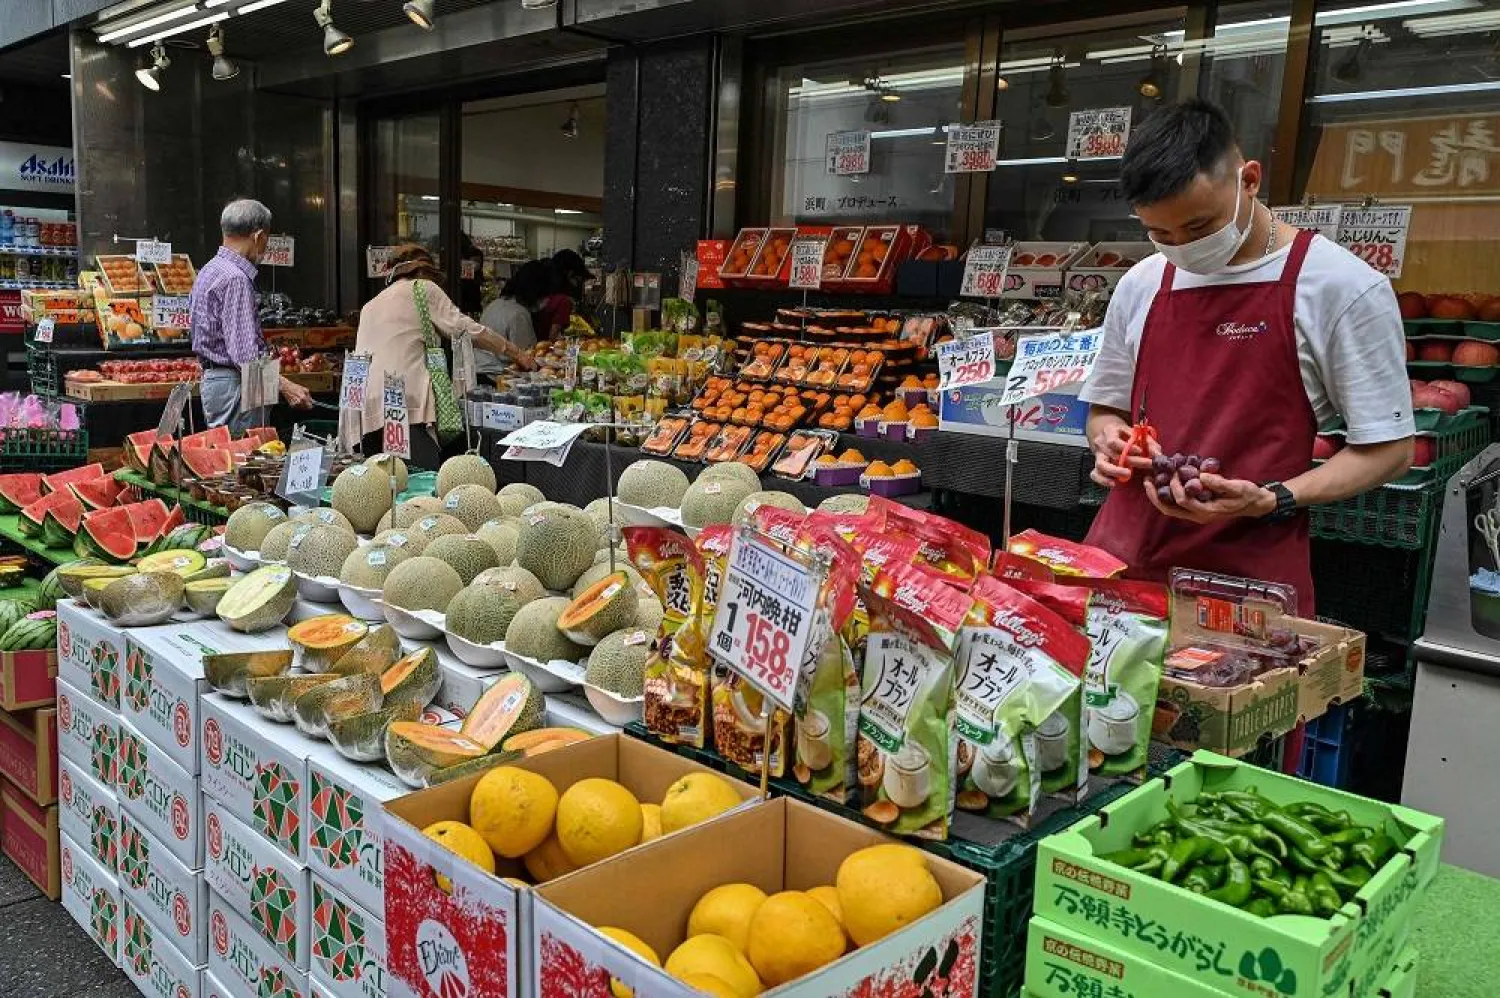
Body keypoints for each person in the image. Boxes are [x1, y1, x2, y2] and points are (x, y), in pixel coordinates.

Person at [1080, 98, 1414, 615]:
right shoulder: (1140, 283)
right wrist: (1107, 440)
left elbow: (1389, 451)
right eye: (1159, 234)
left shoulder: (1340, 287)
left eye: (1197, 228)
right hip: (1122, 565)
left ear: (1249, 180)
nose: (1180, 247)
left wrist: (1274, 498)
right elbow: (1106, 408)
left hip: (1244, 588)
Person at [354, 244, 534, 468]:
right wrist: (517, 353)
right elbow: (465, 328)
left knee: (381, 484)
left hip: (368, 407)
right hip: (406, 404)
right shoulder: (423, 288)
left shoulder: (370, 306)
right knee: (420, 482)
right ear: (422, 272)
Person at [190, 198, 313, 431]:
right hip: (237, 384)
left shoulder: (209, 270)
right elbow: (245, 355)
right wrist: (286, 386)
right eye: (266, 239)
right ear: (258, 237)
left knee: (225, 457)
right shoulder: (236, 278)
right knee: (243, 459)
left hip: (217, 382)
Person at [476, 260, 550, 376]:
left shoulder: (494, 304)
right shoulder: (519, 314)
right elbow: (527, 356)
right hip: (497, 375)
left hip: (479, 370)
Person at [534, 247, 591, 339]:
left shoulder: (542, 293)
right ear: (570, 274)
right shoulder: (563, 301)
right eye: (578, 280)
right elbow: (552, 338)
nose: (578, 285)